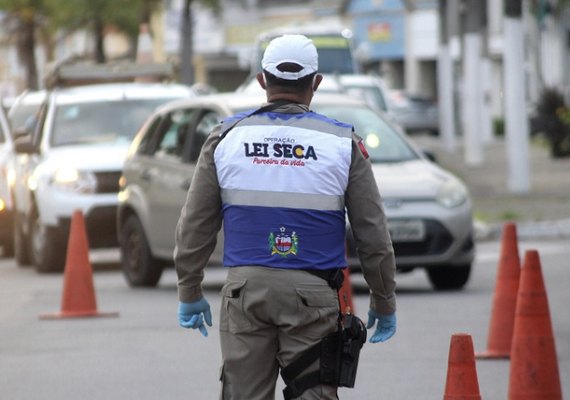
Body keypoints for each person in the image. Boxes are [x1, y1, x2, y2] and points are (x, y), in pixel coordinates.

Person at [174, 34, 397, 400]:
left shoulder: (225, 138)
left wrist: (189, 289)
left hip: (245, 292)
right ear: (316, 83)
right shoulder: (342, 144)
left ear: (262, 80)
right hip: (314, 294)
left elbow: (195, 224)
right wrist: (383, 299)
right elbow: (373, 234)